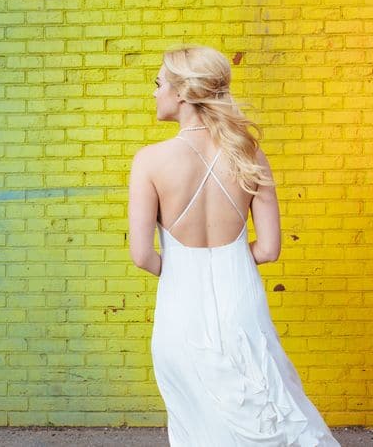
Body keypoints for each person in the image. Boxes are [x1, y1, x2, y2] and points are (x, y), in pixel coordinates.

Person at [128, 45, 340, 446]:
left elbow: (142, 255)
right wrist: (226, 262)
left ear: (183, 94)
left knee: (197, 418)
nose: (154, 92)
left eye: (158, 84)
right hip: (241, 305)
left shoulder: (150, 161)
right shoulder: (249, 153)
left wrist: (185, 267)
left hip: (181, 310)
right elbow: (269, 249)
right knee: (267, 403)